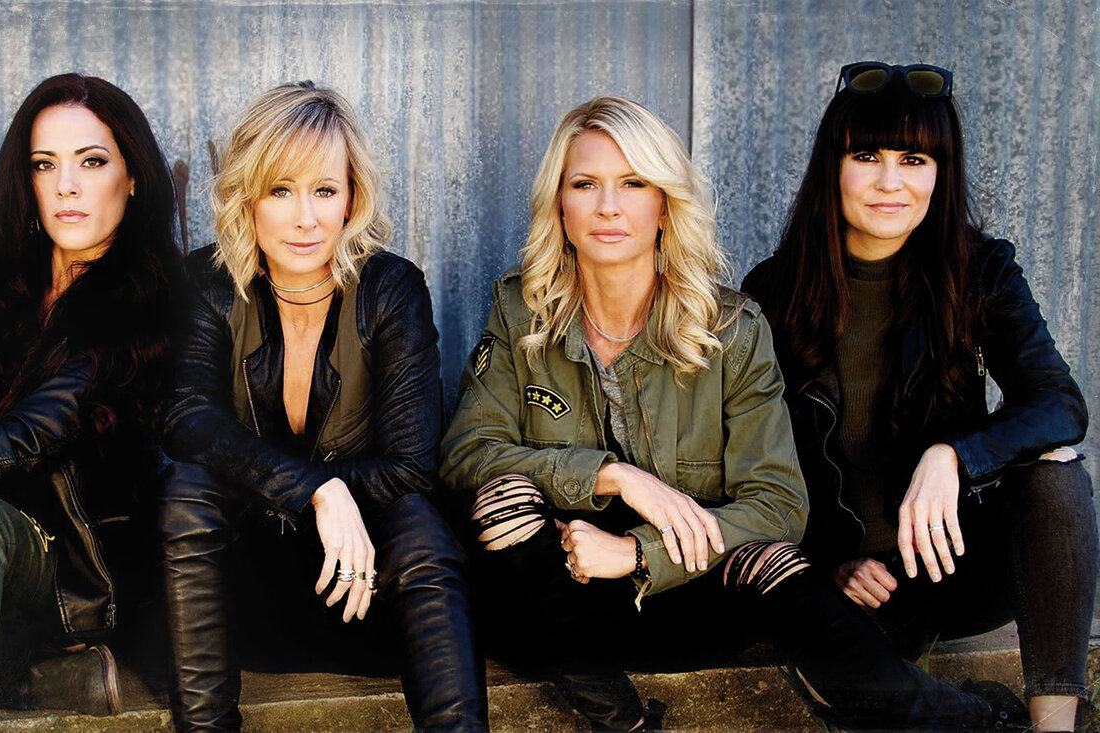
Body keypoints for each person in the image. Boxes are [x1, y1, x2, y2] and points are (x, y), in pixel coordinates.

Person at [441, 94, 1029, 731]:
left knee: (773, 560)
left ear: (665, 204)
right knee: (501, 501)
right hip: (552, 608)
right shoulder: (520, 311)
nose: (609, 206)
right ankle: (620, 720)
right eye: (586, 184)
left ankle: (968, 721)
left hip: (685, 601)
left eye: (633, 182)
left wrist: (637, 554)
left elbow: (778, 502)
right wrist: (609, 475)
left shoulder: (730, 328)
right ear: (560, 203)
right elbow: (466, 454)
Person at [742, 61, 1097, 732]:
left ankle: (1056, 724)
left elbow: (1059, 402)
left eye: (914, 158)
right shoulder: (774, 293)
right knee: (833, 668)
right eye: (867, 155)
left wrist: (956, 456)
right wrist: (826, 560)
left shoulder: (980, 268)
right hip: (846, 590)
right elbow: (750, 461)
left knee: (1055, 469)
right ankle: (984, 719)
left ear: (941, 171)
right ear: (833, 167)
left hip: (952, 566)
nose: (889, 181)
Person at [159, 82, 487, 732]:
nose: (305, 217)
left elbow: (409, 466)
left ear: (351, 200)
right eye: (281, 190)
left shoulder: (391, 290)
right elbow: (186, 419)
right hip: (242, 599)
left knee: (418, 523)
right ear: (247, 196)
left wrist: (333, 495)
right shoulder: (209, 285)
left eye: (325, 191)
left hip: (360, 594)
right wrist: (316, 491)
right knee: (186, 489)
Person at [0, 73, 181, 731]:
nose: (67, 185)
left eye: (92, 161)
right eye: (44, 164)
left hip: (80, 580)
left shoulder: (143, 303)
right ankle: (29, 678)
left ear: (132, 175)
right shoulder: (6, 294)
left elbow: (32, 432)